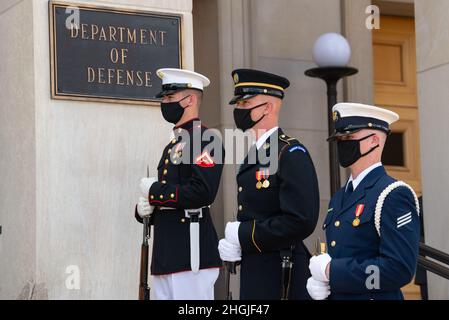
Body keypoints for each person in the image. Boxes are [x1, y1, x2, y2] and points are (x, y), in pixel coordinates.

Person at [218, 68, 320, 299]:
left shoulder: (290, 152)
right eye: (238, 104)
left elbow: (301, 220)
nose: (238, 110)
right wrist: (238, 243)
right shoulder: (257, 153)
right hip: (257, 269)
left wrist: (243, 234)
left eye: (245, 103)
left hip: (282, 272)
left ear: (268, 107)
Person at [307, 103, 420, 300]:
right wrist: (324, 283)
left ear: (374, 141)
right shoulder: (340, 196)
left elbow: (398, 270)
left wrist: (332, 272)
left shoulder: (393, 194)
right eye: (340, 138)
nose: (342, 144)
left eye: (349, 137)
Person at [135, 68, 224, 300]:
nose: (165, 102)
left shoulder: (205, 139)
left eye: (170, 97)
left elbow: (202, 192)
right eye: (164, 98)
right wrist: (146, 210)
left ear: (190, 99)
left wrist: (155, 192)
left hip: (190, 254)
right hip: (166, 253)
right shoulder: (174, 145)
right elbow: (173, 197)